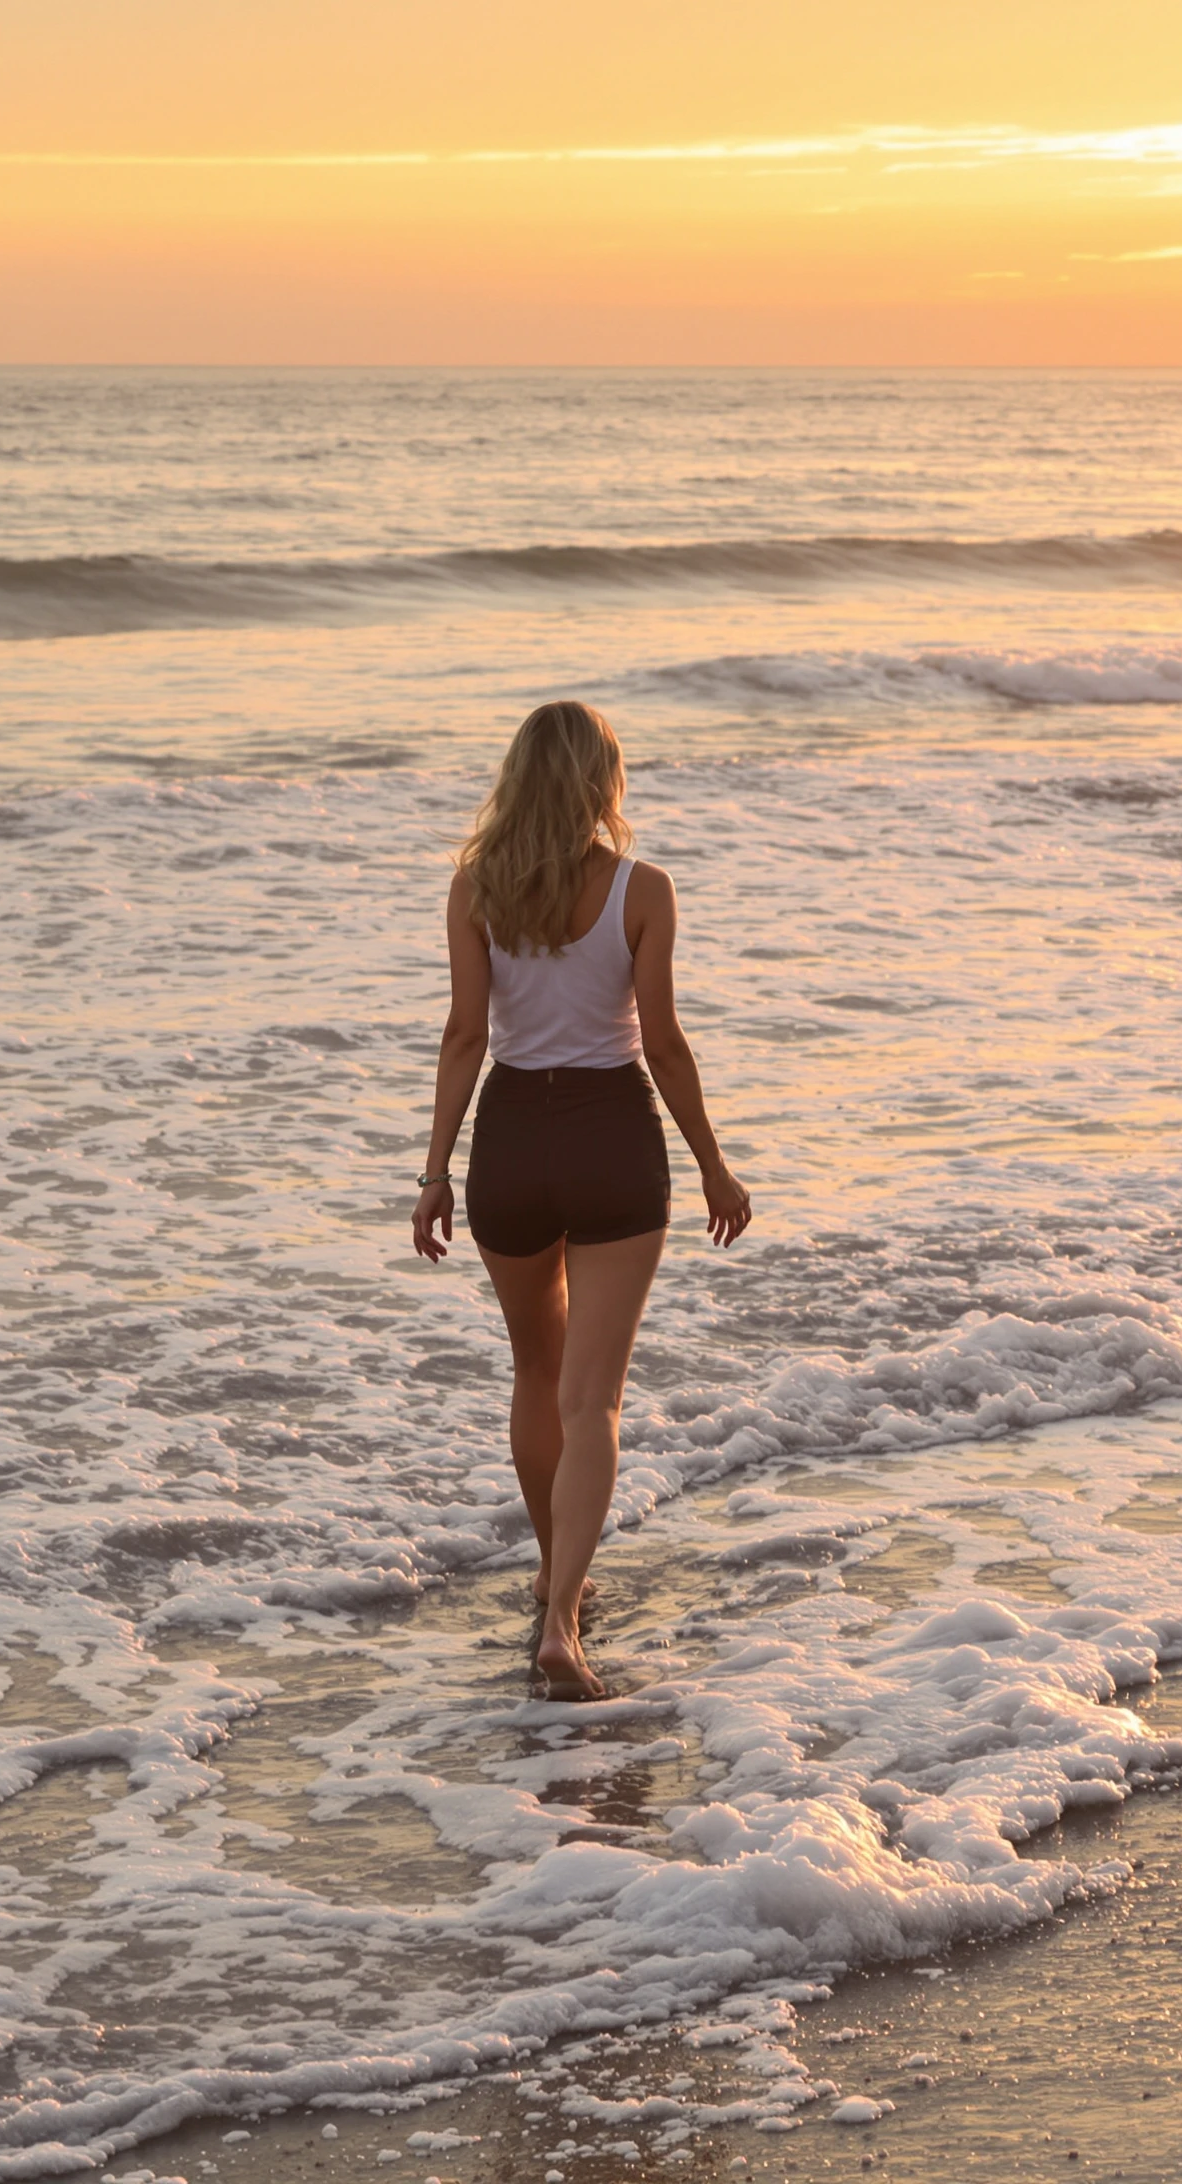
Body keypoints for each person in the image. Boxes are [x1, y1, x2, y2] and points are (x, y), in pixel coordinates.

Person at [411, 701, 751, 1698]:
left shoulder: (475, 886)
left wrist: (433, 1173)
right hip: (611, 1138)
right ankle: (563, 1615)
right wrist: (714, 1166)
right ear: (604, 779)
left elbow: (463, 1038)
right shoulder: (641, 888)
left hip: (511, 1141)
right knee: (591, 1396)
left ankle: (555, 1576)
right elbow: (664, 1042)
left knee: (534, 1373)